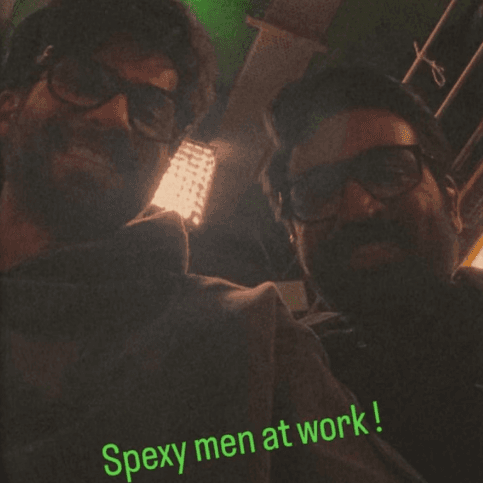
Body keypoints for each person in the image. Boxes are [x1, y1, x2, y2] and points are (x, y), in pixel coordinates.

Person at [0, 2, 421, 481]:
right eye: (83, 81)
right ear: (9, 104)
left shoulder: (244, 337)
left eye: (151, 109)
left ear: (168, 157)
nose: (115, 116)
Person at [260, 64, 483, 482]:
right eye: (317, 191)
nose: (357, 208)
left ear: (452, 204)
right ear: (294, 237)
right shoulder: (267, 402)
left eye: (389, 172)